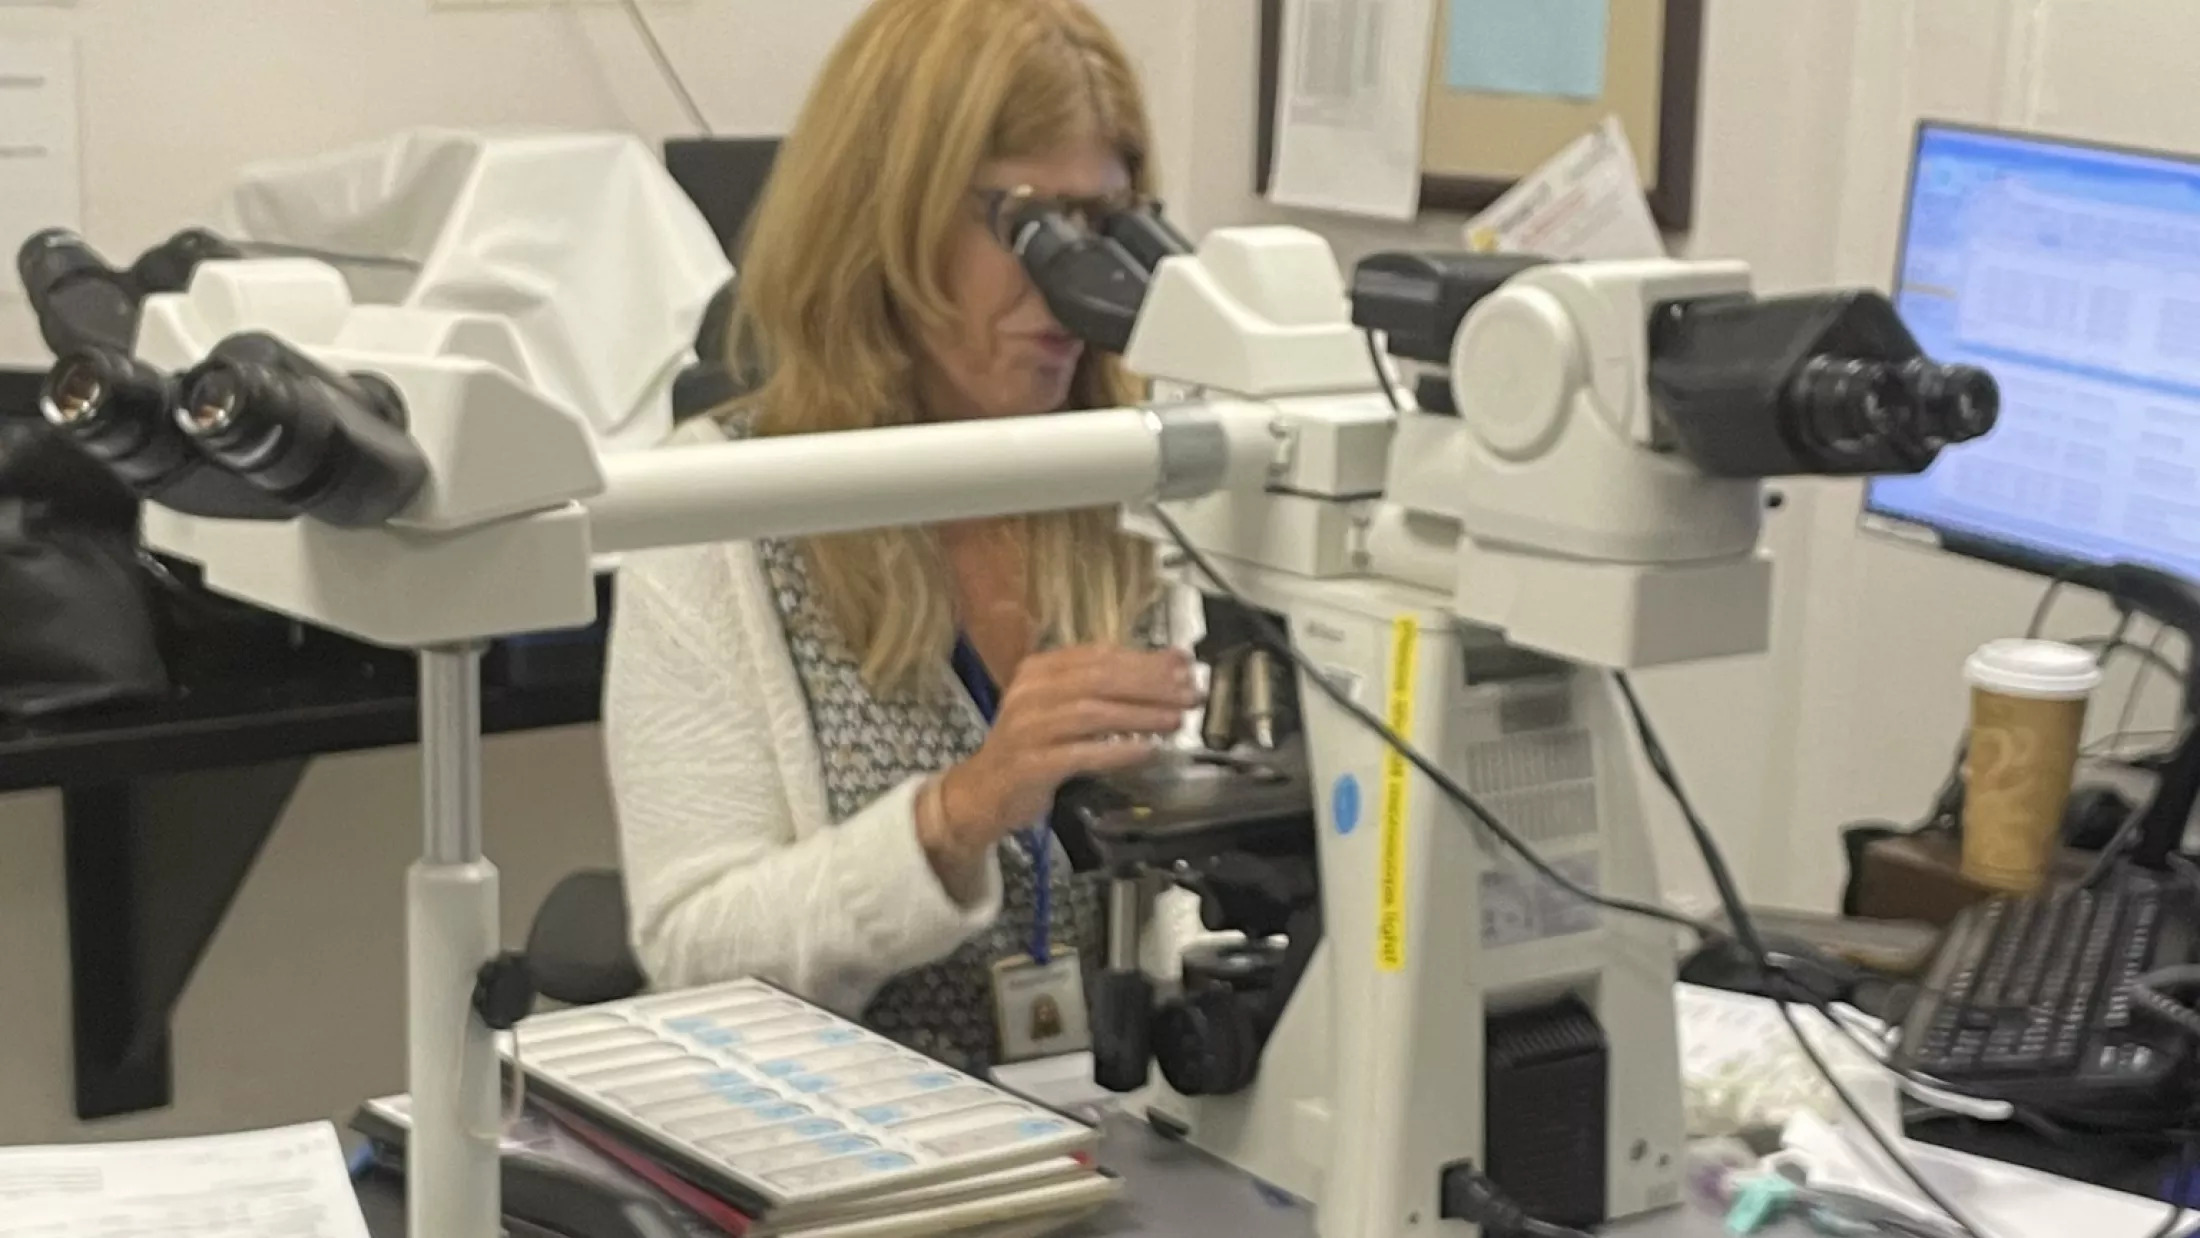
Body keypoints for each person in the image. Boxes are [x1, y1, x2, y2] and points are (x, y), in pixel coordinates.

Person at [604, 0, 1199, 1071]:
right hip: (848, 1152)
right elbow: (693, 952)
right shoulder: (720, 507)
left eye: (1102, 226)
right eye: (1026, 226)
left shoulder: (1155, 482)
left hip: (1139, 1133)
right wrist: (954, 815)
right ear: (887, 213)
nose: (1067, 284)